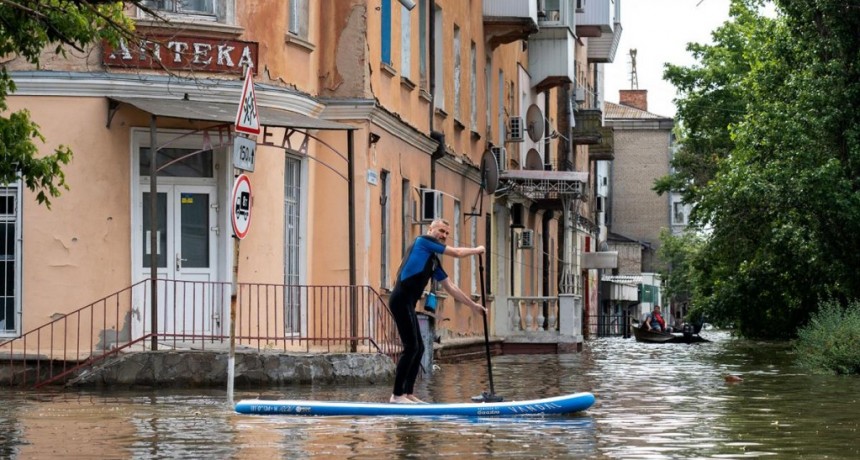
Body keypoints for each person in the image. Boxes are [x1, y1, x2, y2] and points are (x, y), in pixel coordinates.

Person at [389, 218, 486, 404]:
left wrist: (473, 306)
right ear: (430, 229)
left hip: (407, 302)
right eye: (441, 230)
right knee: (411, 347)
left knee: (420, 347)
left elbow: (450, 287)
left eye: (447, 233)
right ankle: (396, 395)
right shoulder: (423, 241)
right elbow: (457, 252)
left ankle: (407, 393)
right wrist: (476, 250)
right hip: (400, 299)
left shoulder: (432, 260)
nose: (444, 235)